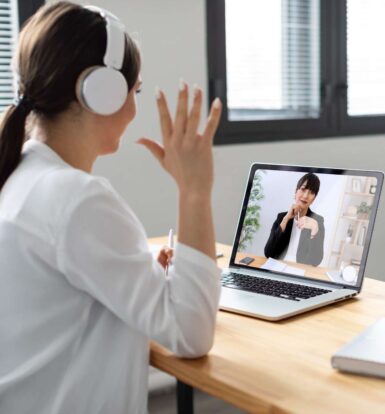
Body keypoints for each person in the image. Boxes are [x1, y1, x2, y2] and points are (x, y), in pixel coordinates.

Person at [0, 3, 222, 414]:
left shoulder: (21, 177)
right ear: (100, 92)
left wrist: (140, 268)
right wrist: (194, 190)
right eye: (134, 91)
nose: (135, 109)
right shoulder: (76, 199)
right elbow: (192, 333)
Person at [264, 173, 325, 266]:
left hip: (301, 271)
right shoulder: (282, 217)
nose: (305, 196)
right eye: (303, 189)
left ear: (313, 199)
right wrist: (286, 219)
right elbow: (268, 253)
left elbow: (315, 261)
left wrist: (314, 230)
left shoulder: (317, 221)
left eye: (311, 192)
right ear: (295, 192)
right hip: (278, 268)